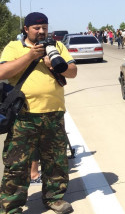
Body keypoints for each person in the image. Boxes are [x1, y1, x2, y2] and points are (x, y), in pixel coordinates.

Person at [0, 12, 77, 214]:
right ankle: (11, 206)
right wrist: (30, 56)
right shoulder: (14, 47)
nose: (41, 31)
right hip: (24, 116)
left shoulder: (57, 46)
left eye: (44, 27)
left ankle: (54, 198)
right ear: (26, 29)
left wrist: (56, 65)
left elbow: (73, 71)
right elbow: (2, 72)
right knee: (17, 164)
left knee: (56, 161)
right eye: (36, 28)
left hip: (54, 114)